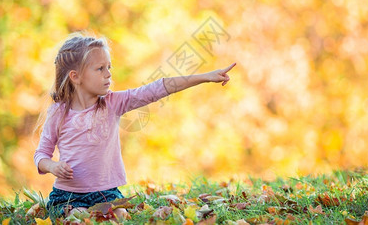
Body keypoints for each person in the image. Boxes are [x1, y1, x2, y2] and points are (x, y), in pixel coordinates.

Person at [34, 32, 236, 220]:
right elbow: (41, 155)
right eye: (100, 69)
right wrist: (52, 166)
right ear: (75, 76)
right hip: (69, 195)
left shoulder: (113, 103)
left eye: (109, 67)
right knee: (79, 216)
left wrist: (205, 77)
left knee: (120, 215)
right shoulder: (58, 113)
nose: (108, 74)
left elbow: (158, 88)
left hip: (106, 193)